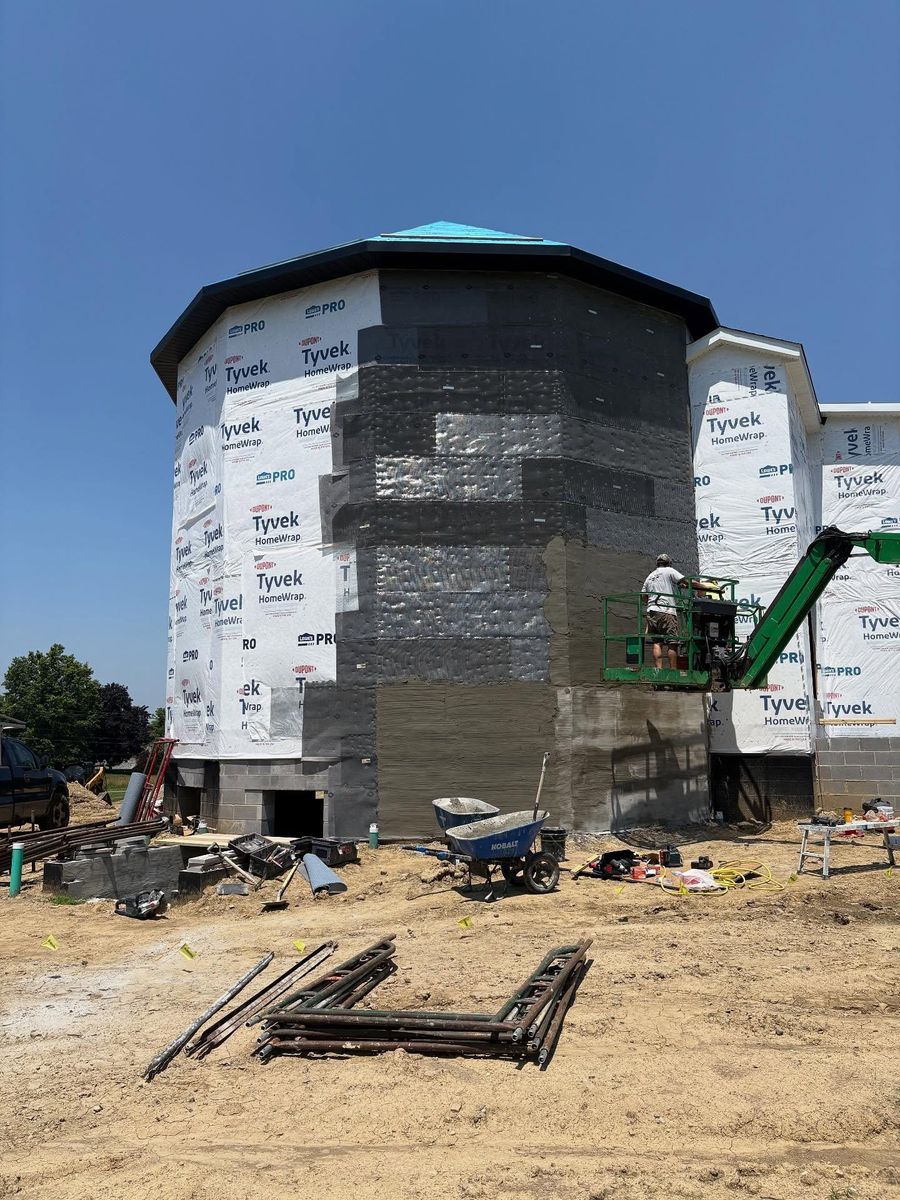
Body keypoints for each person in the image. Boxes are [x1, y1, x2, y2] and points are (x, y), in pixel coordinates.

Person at [641, 554, 712, 669]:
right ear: (669, 563)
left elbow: (644, 597)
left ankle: (658, 671)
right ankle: (673, 672)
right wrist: (703, 587)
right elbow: (688, 582)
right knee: (672, 643)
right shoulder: (669, 571)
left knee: (657, 642)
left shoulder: (650, 576)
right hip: (666, 611)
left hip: (652, 612)